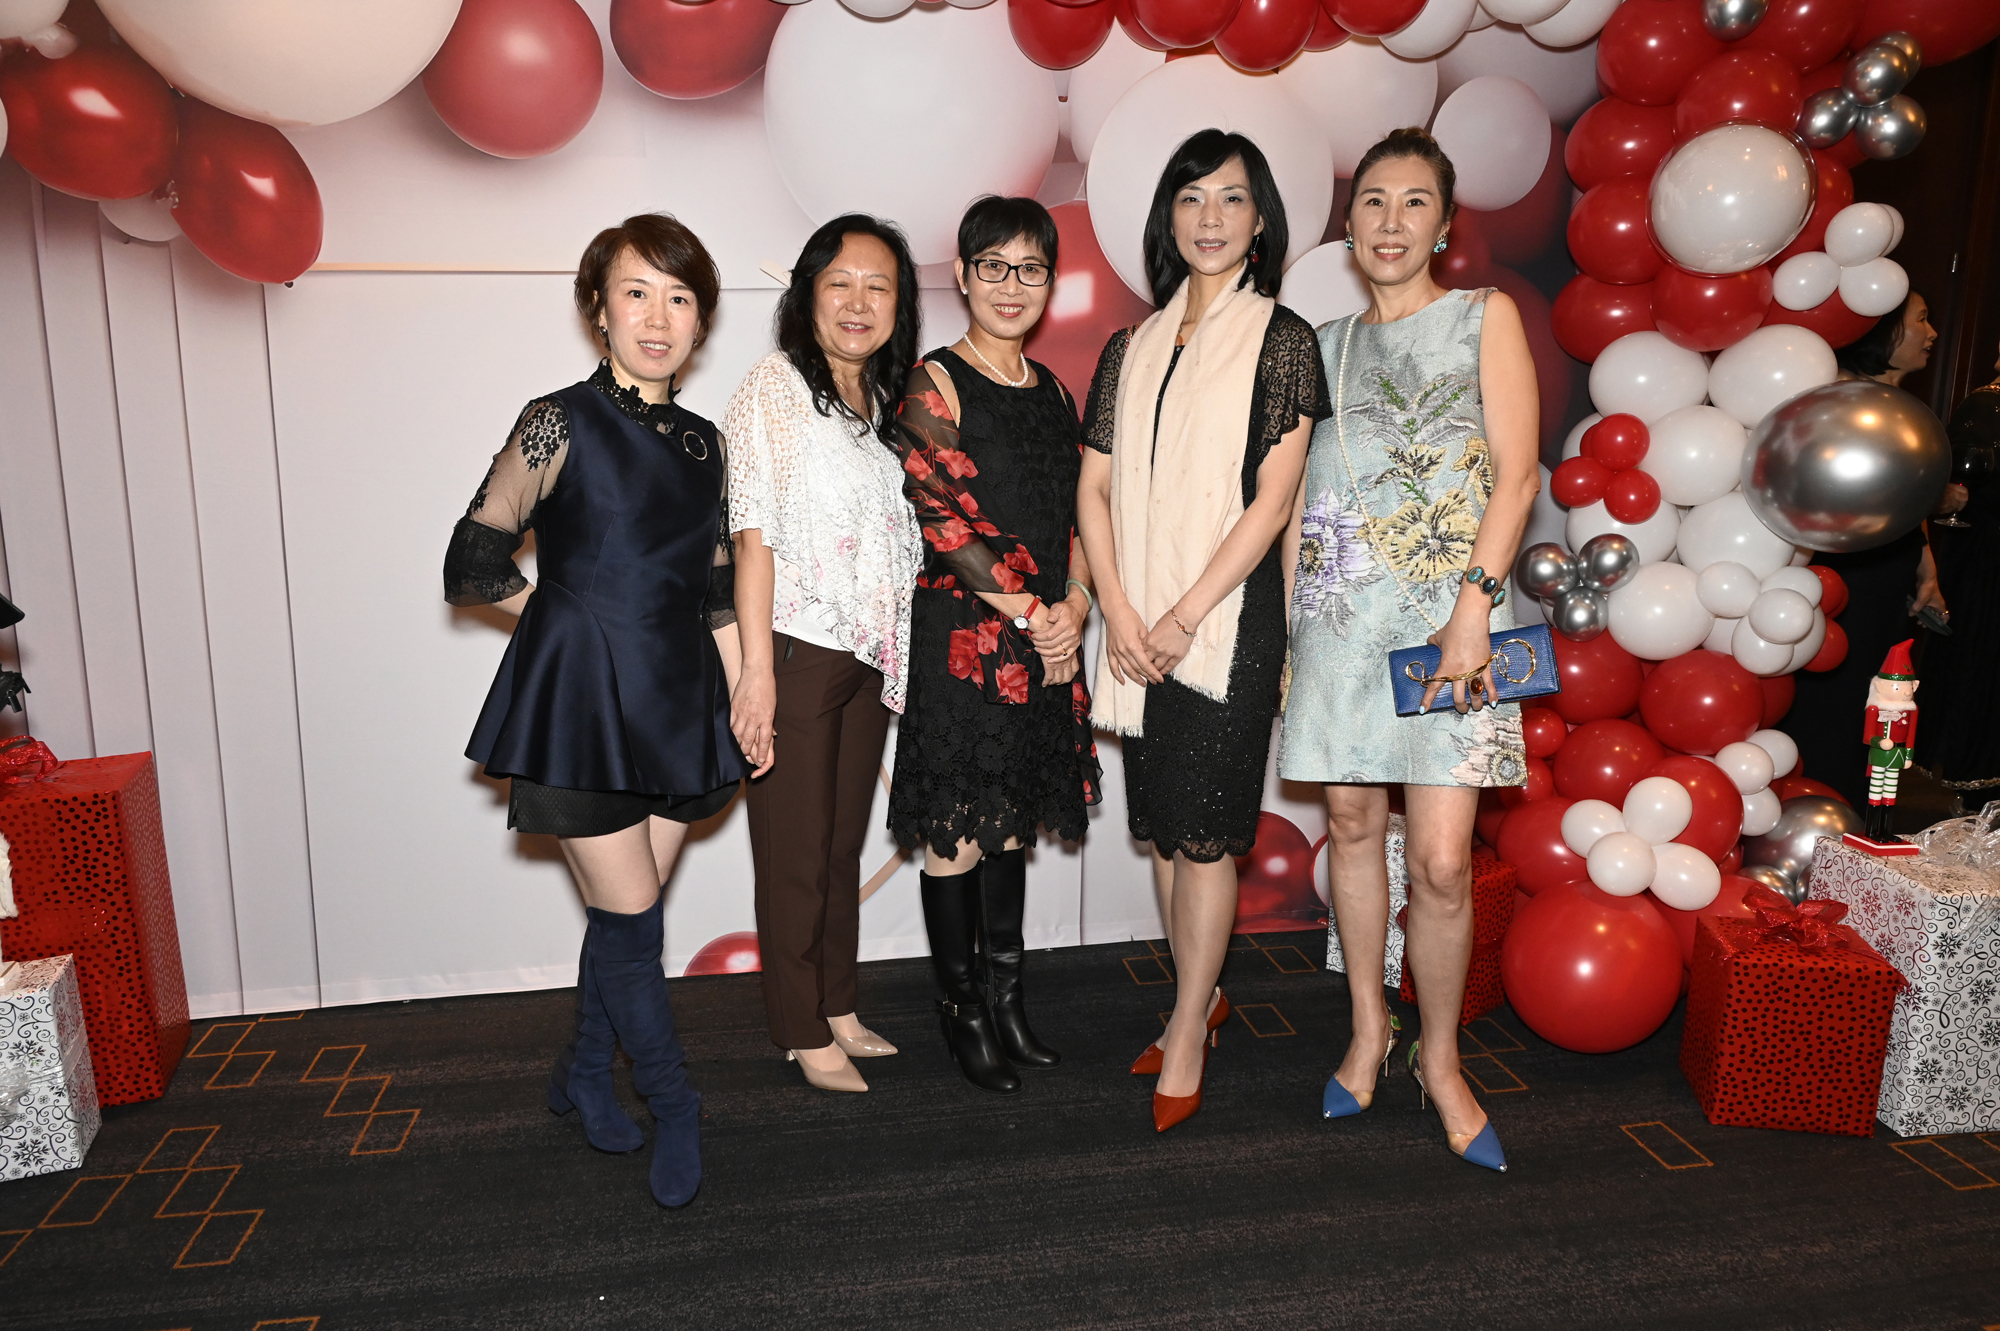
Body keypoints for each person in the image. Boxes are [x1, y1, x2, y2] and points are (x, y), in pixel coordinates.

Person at [446, 213, 752, 1209]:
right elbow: (472, 560)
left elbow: (715, 590)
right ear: (599, 308)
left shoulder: (707, 445)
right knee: (631, 922)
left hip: (678, 704)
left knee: (625, 923)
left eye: (679, 297)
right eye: (636, 292)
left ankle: (584, 1070)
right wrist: (567, 625)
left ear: (700, 319)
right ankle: (676, 1103)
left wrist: (748, 693)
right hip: (582, 709)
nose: (657, 317)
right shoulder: (558, 420)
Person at [1277, 128, 1538, 1173]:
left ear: (1444, 223)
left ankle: (1440, 1058)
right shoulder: (1320, 345)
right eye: (1373, 202)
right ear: (1348, 224)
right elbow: (1292, 499)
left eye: (1414, 202)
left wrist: (1474, 609)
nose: (1391, 221)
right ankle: (1365, 1030)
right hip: (1339, 618)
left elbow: (1517, 474)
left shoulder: (1483, 317)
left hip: (1451, 624)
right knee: (1349, 823)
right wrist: (1278, 631)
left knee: (1438, 862)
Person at [1077, 129, 1330, 1133]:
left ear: (1259, 219)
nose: (1210, 217)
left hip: (1226, 620)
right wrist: (1120, 609)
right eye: (1191, 197)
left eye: (1231, 198)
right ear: (1167, 218)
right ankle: (1201, 995)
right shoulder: (1128, 348)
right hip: (1136, 619)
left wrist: (1183, 614)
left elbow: (1272, 502)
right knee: (1161, 830)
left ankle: (1186, 1025)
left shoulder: (1282, 339)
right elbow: (1093, 490)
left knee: (1204, 833)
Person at [884, 196, 1102, 1095]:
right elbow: (939, 514)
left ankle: (1009, 1000)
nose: (1013, 285)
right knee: (957, 834)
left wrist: (1075, 603)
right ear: (964, 276)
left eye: (1032, 268)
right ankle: (963, 1009)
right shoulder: (934, 381)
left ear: (1050, 281)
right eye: (994, 266)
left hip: (1043, 637)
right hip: (966, 639)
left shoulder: (1053, 390)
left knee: (1010, 824)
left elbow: (1080, 514)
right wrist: (1029, 611)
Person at [725, 215, 926, 1094]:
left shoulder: (877, 409)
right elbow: (752, 535)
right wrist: (756, 673)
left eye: (878, 286)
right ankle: (800, 1026)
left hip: (868, 659)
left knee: (840, 847)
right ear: (807, 293)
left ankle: (837, 1001)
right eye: (839, 281)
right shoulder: (773, 386)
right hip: (796, 650)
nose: (857, 301)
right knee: (794, 854)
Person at [1784, 293, 1961, 813]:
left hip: (1888, 570)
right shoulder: (1836, 400)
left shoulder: (1899, 405)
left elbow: (1905, 505)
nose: (1931, 334)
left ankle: (1856, 818)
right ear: (1883, 332)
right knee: (1835, 700)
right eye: (1921, 320)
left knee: (1877, 702)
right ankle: (1821, 812)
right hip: (1844, 573)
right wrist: (1936, 497)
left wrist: (1927, 567)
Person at [1917, 337, 2000, 786]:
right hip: (1986, 557)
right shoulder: (1986, 404)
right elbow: (1952, 481)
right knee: (1979, 663)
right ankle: (1972, 780)